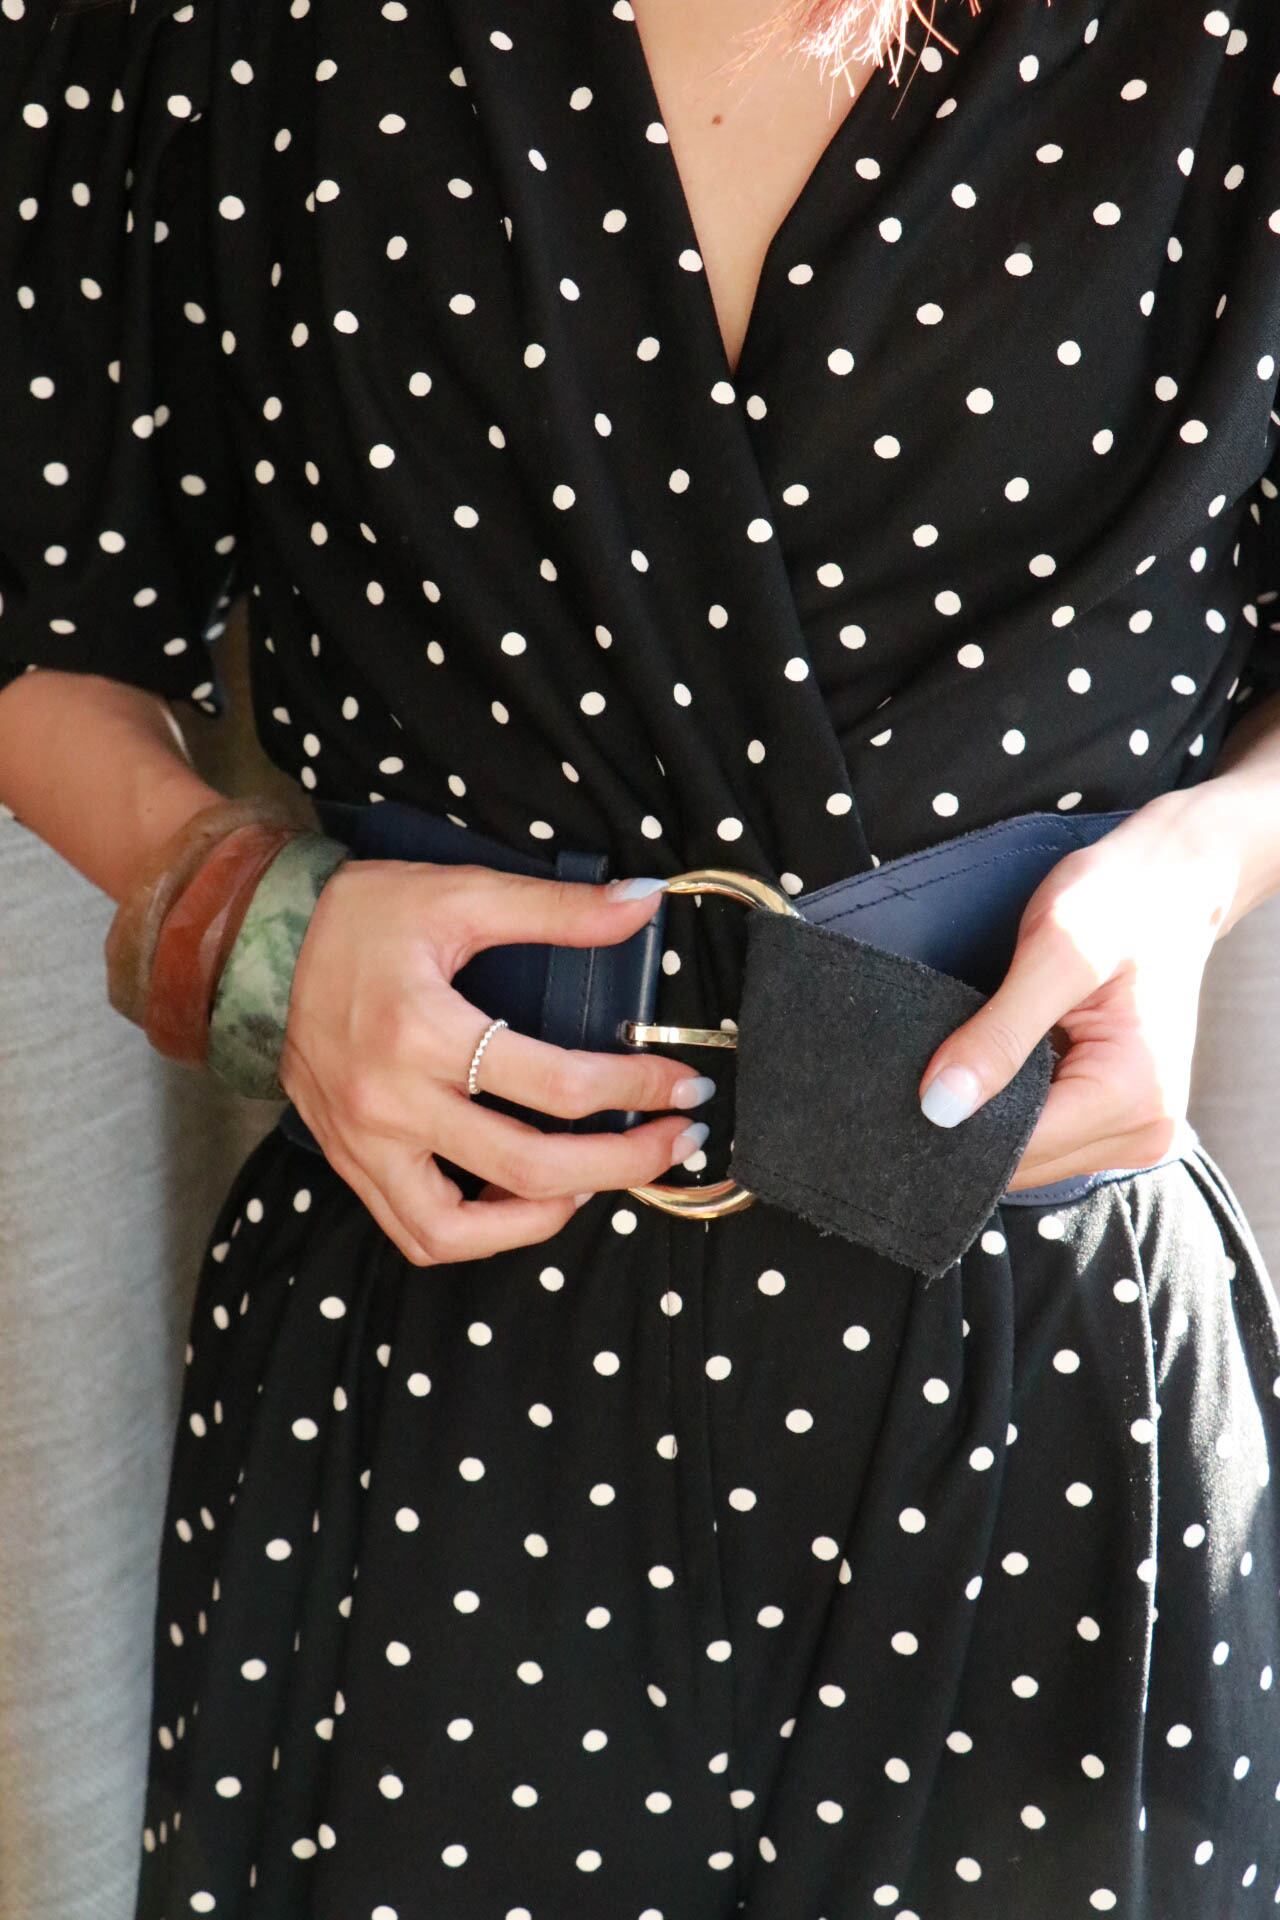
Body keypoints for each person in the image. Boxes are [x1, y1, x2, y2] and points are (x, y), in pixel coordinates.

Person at [2, 0, 1280, 1913]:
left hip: (1042, 1362)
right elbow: (47, 620)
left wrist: (1202, 866)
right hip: (431, 1342)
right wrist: (239, 914)